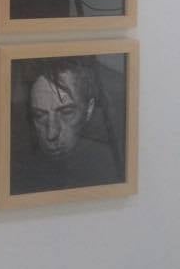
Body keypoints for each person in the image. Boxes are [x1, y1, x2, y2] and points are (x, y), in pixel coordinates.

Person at [11, 57, 125, 195]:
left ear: (89, 109)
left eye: (66, 113)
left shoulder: (108, 165)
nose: (51, 133)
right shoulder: (18, 172)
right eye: (40, 115)